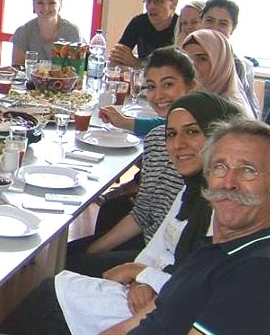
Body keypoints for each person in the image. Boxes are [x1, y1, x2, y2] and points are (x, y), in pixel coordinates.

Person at [0, 92, 240, 335]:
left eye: (192, 132)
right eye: (172, 134)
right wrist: (141, 276)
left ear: (218, 135)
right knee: (59, 281)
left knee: (52, 292)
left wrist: (143, 276)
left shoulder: (222, 208)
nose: (178, 144)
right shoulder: (194, 189)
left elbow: (200, 282)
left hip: (166, 312)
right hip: (154, 284)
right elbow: (160, 246)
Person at [0, 117, 270, 335]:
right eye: (220, 167)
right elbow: (135, 325)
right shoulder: (217, 249)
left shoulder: (257, 274)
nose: (229, 182)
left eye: (248, 170)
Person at [66, 46, 195, 277]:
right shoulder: (155, 138)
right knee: (71, 253)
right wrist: (95, 250)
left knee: (70, 264)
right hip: (151, 239)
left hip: (171, 257)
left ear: (191, 87)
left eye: (168, 84)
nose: (159, 95)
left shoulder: (201, 143)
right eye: (151, 87)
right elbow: (143, 212)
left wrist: (94, 252)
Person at [201, 0, 259, 118]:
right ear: (201, 21)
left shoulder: (238, 65)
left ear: (232, 29)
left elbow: (251, 110)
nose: (214, 28)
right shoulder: (186, 55)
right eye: (209, 20)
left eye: (223, 24)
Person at [182, 28, 254, 118]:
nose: (192, 65)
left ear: (221, 63)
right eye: (186, 58)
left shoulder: (231, 112)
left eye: (202, 59)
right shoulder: (189, 98)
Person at [108, 0, 179, 68]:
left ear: (174, 4)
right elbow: (116, 59)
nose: (151, 6)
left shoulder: (182, 25)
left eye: (157, 1)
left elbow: (176, 69)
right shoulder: (139, 22)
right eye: (148, 1)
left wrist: (136, 63)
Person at [11, 0, 82, 66]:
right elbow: (17, 67)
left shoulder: (72, 31)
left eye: (51, 3)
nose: (45, 8)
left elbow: (78, 67)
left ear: (60, 5)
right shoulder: (22, 32)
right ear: (33, 5)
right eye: (40, 2)